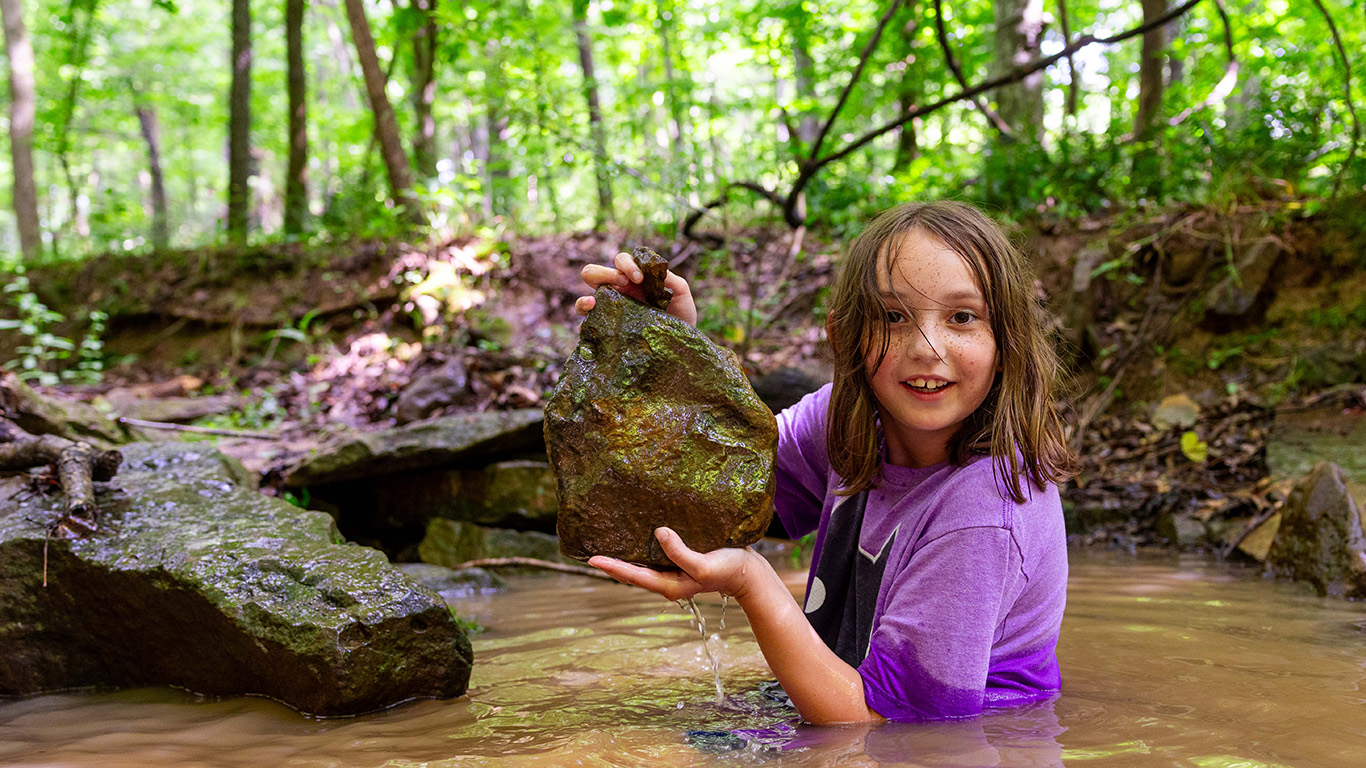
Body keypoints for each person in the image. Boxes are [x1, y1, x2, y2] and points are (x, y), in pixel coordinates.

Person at [575, 201, 1077, 725]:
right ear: (845, 335)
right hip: (846, 701)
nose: (928, 348)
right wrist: (673, 355)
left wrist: (753, 582)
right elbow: (716, 492)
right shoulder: (846, 421)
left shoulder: (986, 514)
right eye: (893, 316)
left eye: (961, 317)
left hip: (960, 741)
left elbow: (891, 729)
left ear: (1008, 342)